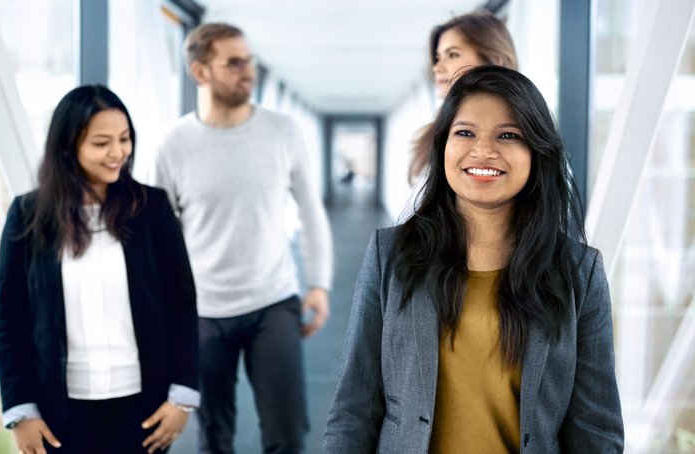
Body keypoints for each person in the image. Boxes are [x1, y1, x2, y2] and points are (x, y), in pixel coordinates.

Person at [323, 66, 624, 453]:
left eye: (508, 135)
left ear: (536, 150)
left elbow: (595, 429)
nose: (483, 150)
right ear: (443, 145)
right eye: (465, 132)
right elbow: (353, 408)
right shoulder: (392, 255)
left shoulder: (578, 271)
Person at [152, 22, 333, 454]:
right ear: (200, 72)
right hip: (203, 312)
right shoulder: (173, 145)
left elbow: (311, 211)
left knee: (287, 434)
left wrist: (320, 284)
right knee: (214, 438)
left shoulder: (283, 131)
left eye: (249, 60)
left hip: (274, 302)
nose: (247, 71)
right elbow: (160, 237)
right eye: (233, 63)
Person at [0, 85, 199, 454]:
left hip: (143, 407)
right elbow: (8, 317)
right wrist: (20, 411)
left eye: (124, 138)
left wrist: (182, 397)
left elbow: (182, 304)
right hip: (59, 412)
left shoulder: (151, 208)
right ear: (68, 147)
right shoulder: (28, 215)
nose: (118, 153)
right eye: (101, 143)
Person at [408, 10, 518, 186]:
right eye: (437, 58)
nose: (438, 67)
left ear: (495, 60)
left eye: (452, 54)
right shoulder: (433, 131)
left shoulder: (529, 125)